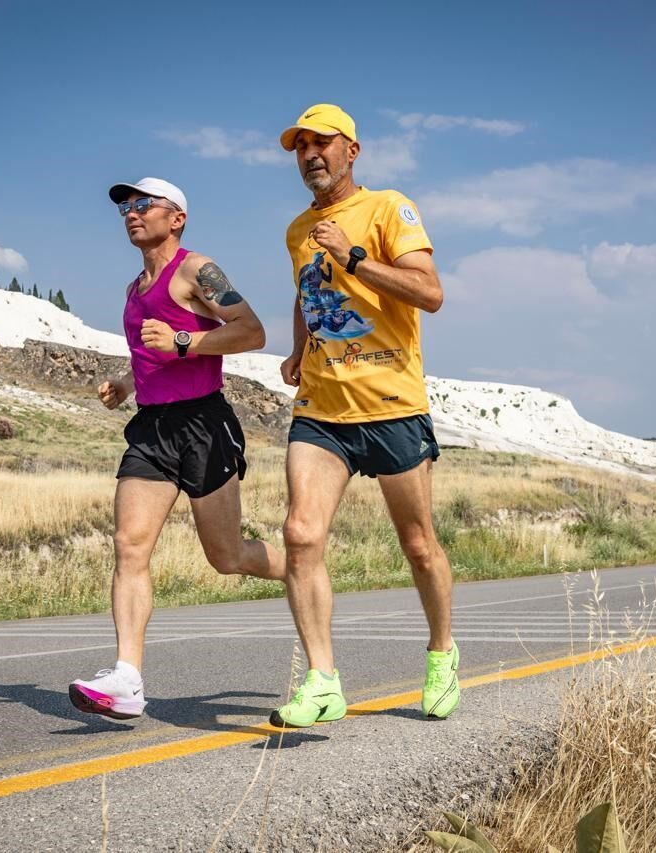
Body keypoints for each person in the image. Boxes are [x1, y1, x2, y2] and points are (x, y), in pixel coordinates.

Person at [270, 105, 459, 728]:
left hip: (391, 404)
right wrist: (298, 347)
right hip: (322, 409)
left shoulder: (388, 208)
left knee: (419, 545)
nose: (310, 155)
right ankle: (322, 680)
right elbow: (307, 290)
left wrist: (352, 256)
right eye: (301, 147)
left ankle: (442, 653)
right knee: (301, 534)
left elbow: (429, 293)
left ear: (352, 150)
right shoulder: (298, 229)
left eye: (321, 143)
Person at [69, 177, 286, 719]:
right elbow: (151, 355)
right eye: (126, 206)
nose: (132, 213)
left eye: (145, 204)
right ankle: (127, 679)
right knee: (129, 544)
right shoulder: (133, 289)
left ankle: (303, 570)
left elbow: (252, 331)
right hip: (152, 429)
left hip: (203, 425)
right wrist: (126, 383)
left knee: (227, 557)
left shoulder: (196, 271)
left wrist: (185, 341)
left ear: (177, 218)